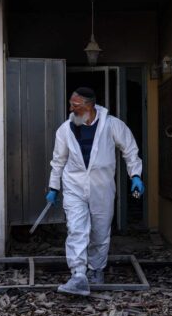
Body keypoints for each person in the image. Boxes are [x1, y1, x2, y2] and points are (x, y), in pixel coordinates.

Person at [46, 87, 144, 296]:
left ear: (89, 106)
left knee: (100, 231)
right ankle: (78, 275)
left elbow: (130, 149)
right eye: (71, 104)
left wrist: (135, 175)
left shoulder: (111, 125)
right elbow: (58, 160)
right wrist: (53, 187)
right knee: (76, 229)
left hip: (102, 187)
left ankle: (96, 269)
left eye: (76, 105)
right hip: (74, 185)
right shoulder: (65, 129)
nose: (71, 108)